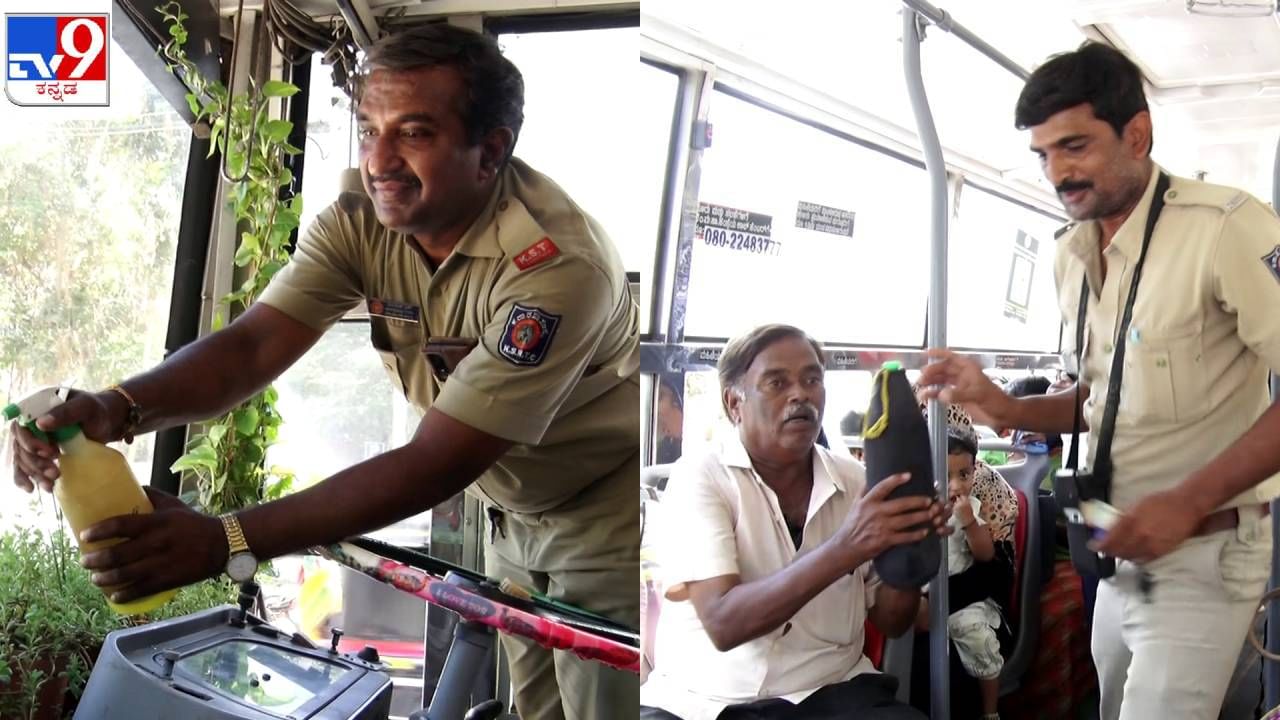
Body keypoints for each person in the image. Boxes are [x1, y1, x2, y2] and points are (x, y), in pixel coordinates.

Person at [9, 24, 638, 720]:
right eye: (369, 129)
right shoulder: (359, 222)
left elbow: (437, 462)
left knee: (599, 706)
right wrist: (115, 406)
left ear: (489, 151)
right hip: (511, 507)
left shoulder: (557, 269)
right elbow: (250, 350)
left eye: (415, 133)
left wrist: (225, 540)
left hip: (602, 511)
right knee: (537, 711)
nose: (380, 160)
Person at [921, 41, 1280, 719]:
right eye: (1044, 154)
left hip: (1204, 550)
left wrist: (1187, 499)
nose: (1058, 171)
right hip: (1115, 551)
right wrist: (999, 402)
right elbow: (1103, 404)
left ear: (1136, 134)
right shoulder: (1071, 254)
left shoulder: (1225, 229)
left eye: (1075, 146)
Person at [639, 324, 949, 720]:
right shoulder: (701, 477)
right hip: (704, 699)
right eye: (776, 382)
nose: (800, 393)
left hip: (832, 691)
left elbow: (893, 621)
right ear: (734, 402)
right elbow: (723, 623)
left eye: (812, 379)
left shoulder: (856, 481)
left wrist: (911, 551)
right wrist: (847, 547)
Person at [909, 404, 1016, 719]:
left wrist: (970, 524)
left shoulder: (974, 506)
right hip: (925, 595)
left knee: (980, 640)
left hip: (965, 599)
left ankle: (990, 711)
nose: (956, 485)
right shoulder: (916, 508)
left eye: (964, 475)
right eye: (946, 476)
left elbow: (986, 556)